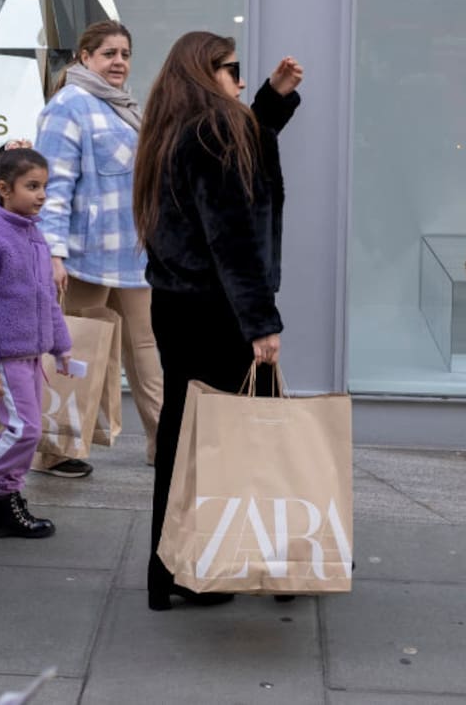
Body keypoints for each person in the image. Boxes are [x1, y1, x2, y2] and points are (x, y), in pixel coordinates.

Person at [132, 31, 304, 611]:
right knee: (257, 436)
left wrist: (272, 99)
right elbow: (230, 235)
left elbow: (246, 145)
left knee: (187, 435)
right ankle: (281, 560)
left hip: (178, 305)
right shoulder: (211, 133)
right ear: (206, 73)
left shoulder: (178, 127)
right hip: (219, 310)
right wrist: (261, 322)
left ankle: (171, 568)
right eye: (232, 68)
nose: (240, 77)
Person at [35, 20, 163, 477]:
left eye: (125, 54)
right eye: (109, 53)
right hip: (85, 258)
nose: (119, 62)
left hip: (132, 254)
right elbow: (52, 188)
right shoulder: (68, 105)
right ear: (84, 57)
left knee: (146, 347)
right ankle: (55, 449)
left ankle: (163, 440)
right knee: (74, 350)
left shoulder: (125, 105)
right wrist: (53, 253)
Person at [0, 142, 72, 542]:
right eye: (32, 186)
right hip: (4, 357)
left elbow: (46, 295)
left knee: (24, 432)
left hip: (31, 355)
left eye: (44, 187)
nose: (42, 195)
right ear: (4, 189)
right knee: (24, 431)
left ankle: (5, 505)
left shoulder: (33, 234)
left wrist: (60, 344)